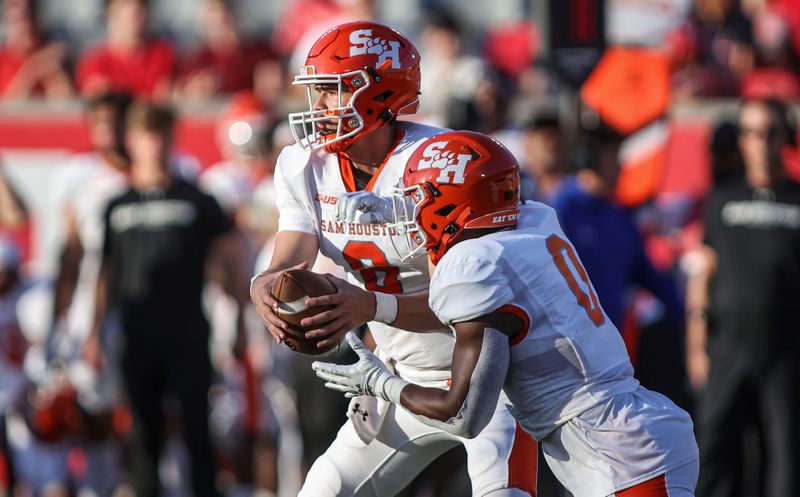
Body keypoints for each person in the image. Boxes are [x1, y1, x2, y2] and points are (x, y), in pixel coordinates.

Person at [313, 130, 700, 497]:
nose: (414, 209)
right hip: (625, 434)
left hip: (623, 454)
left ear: (453, 204)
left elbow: (463, 414)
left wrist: (381, 384)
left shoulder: (473, 264)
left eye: (420, 197)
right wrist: (394, 213)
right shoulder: (534, 221)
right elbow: (480, 213)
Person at [248, 21, 536, 497]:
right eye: (316, 92)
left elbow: (475, 305)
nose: (317, 107)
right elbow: (290, 257)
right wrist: (266, 282)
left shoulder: (442, 166)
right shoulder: (303, 166)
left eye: (333, 91)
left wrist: (370, 306)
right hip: (395, 378)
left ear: (379, 93)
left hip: (486, 377)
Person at [85, 102, 248, 497]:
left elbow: (230, 256)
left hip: (188, 331)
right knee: (143, 432)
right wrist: (93, 331)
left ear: (172, 140)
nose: (154, 145)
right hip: (136, 334)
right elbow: (105, 272)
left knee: (197, 429)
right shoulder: (116, 205)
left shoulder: (197, 199)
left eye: (161, 136)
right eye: (145, 136)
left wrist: (241, 315)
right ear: (131, 141)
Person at [686, 98, 800, 497]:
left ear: (786, 139)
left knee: (785, 460)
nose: (761, 142)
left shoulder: (796, 199)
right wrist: (697, 344)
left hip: (786, 352)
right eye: (752, 132)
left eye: (770, 133)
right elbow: (704, 274)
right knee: (714, 452)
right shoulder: (722, 200)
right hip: (728, 348)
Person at [76, 0, 176, 101]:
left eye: (140, 7)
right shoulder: (94, 61)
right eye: (124, 7)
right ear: (110, 12)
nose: (133, 12)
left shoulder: (164, 54)